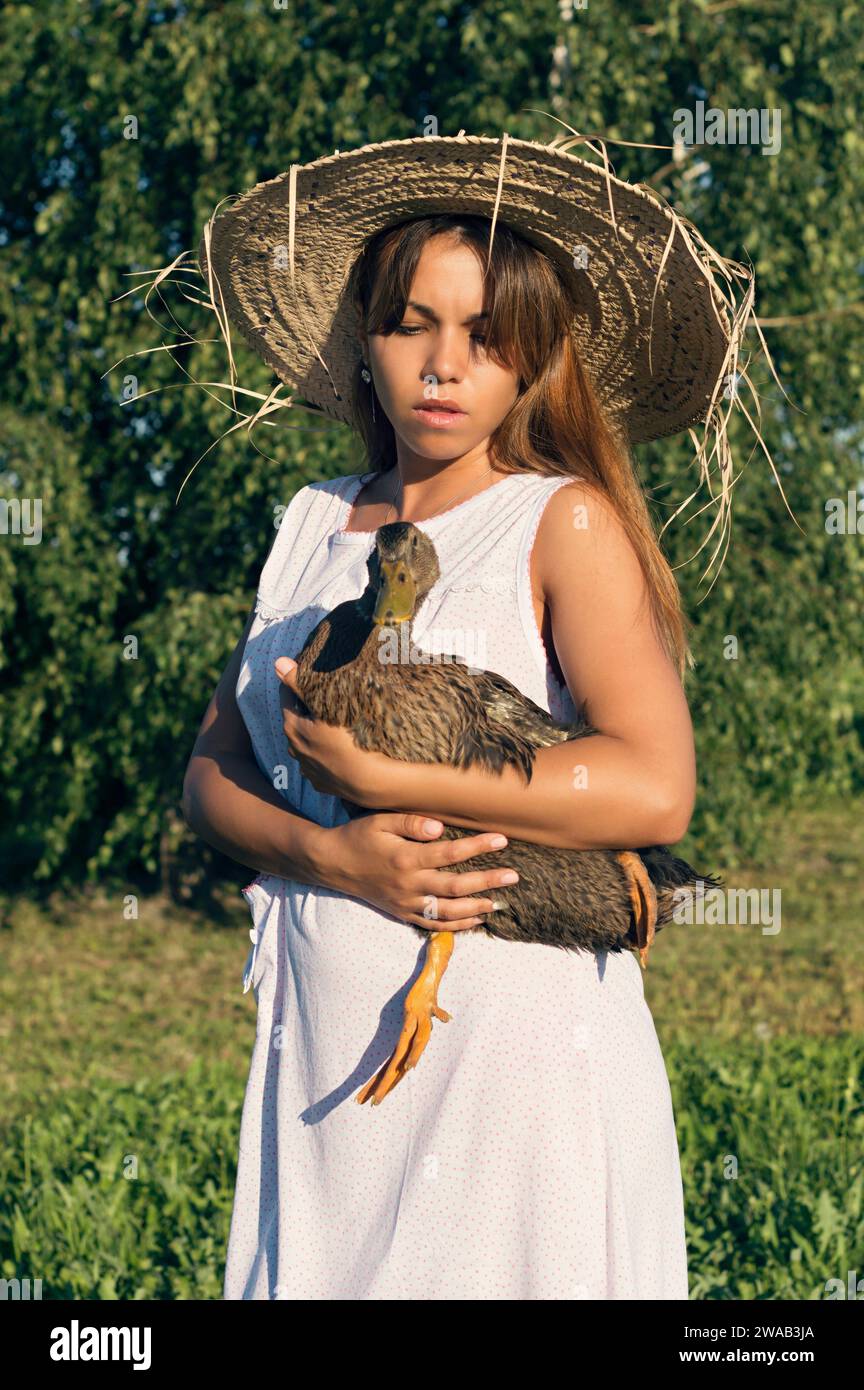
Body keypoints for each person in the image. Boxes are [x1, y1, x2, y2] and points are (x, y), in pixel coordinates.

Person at [177, 133, 780, 1300]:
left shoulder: (560, 521)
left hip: (512, 1064)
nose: (443, 366)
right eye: (413, 323)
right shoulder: (310, 524)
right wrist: (334, 856)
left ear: (533, 362)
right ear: (367, 338)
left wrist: (400, 784)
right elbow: (211, 776)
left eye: (486, 338)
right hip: (326, 1073)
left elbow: (656, 786)